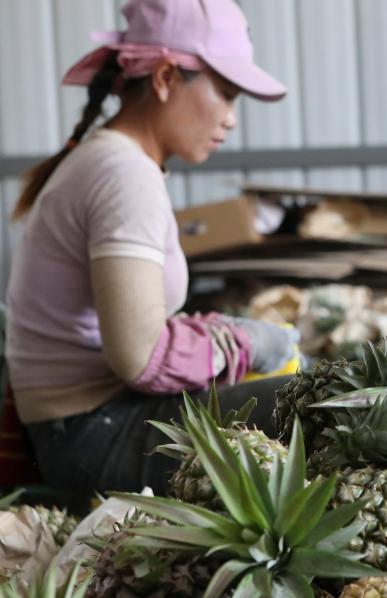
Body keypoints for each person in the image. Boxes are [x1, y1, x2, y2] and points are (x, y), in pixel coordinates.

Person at [4, 0, 299, 496]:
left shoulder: (114, 162)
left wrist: (226, 337)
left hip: (84, 423)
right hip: (90, 435)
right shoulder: (123, 174)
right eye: (225, 94)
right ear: (164, 77)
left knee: (306, 390)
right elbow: (139, 356)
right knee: (321, 401)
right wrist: (245, 341)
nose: (230, 119)